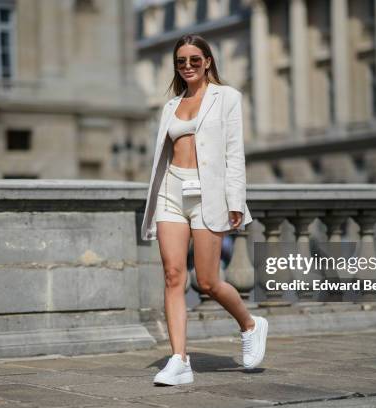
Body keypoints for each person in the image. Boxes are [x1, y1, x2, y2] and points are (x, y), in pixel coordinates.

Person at [140, 34, 268, 386]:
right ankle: (179, 360)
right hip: (171, 190)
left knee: (208, 281)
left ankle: (251, 324)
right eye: (181, 62)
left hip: (209, 193)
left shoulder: (227, 98)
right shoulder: (170, 106)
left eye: (195, 60)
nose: (188, 67)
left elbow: (233, 153)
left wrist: (236, 200)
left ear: (208, 61)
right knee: (173, 276)